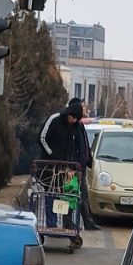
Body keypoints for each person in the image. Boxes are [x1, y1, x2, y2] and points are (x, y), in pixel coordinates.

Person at [38, 98, 94, 231]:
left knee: (65, 196)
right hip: (49, 167)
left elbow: (72, 148)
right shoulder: (54, 120)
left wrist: (71, 166)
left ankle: (65, 224)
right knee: (51, 194)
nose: (73, 121)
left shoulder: (74, 127)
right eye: (72, 118)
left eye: (76, 119)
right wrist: (52, 155)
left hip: (65, 168)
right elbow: (41, 138)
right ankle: (51, 225)